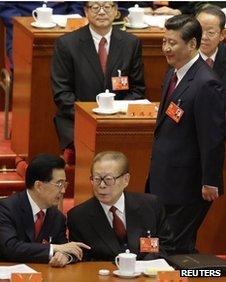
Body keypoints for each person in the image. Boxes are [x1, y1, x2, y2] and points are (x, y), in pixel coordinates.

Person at [146, 15, 225, 254]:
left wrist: (210, 180)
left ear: (192, 44)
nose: (166, 48)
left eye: (173, 43)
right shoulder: (172, 73)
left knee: (172, 245)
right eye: (164, 42)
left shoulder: (206, 83)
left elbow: (212, 137)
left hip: (188, 184)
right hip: (164, 178)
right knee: (171, 243)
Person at [51, 1, 145, 163]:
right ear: (86, 11)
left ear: (116, 11)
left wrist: (114, 114)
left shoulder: (131, 43)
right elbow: (62, 93)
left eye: (107, 7)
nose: (101, 12)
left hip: (118, 122)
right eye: (95, 7)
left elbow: (138, 89)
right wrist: (91, 115)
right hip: (78, 121)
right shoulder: (67, 44)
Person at [67, 151, 174, 261]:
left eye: (108, 179)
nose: (102, 185)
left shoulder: (151, 205)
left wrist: (143, 266)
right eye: (97, 179)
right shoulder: (78, 217)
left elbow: (166, 245)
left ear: (125, 180)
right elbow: (81, 258)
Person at [0, 154, 90, 266]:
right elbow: (10, 247)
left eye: (64, 184)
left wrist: (65, 256)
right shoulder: (6, 208)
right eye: (59, 184)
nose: (63, 191)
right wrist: (54, 248)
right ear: (38, 186)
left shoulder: (57, 217)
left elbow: (65, 248)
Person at [0, 1, 84, 71]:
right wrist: (24, 23)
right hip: (24, 31)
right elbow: (5, 5)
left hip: (64, 29)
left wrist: (72, 21)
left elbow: (77, 5)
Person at [196, 5, 226, 96]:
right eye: (199, 31)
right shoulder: (182, 55)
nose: (203, 37)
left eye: (210, 33)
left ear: (222, 34)